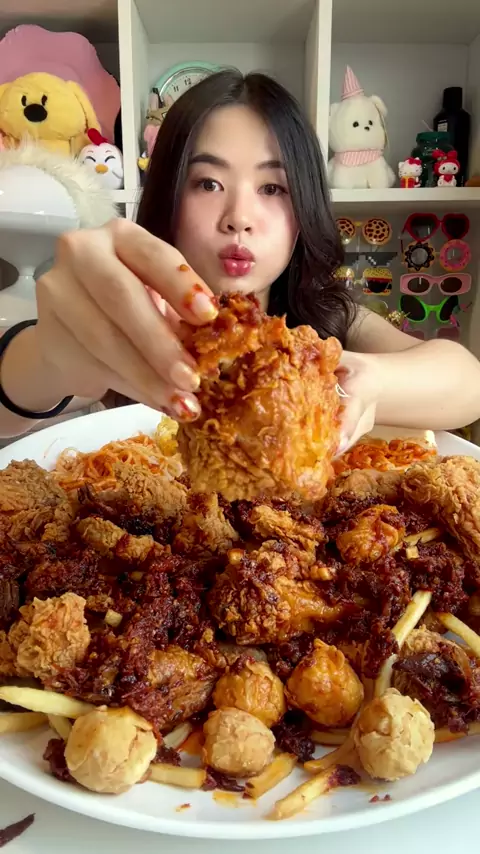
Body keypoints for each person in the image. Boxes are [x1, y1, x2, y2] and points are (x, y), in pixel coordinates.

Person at [0, 70, 479, 451]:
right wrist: (49, 356)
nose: (239, 218)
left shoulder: (329, 319)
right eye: (208, 183)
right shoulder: (131, 316)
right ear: (169, 196)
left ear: (303, 211)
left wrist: (355, 379)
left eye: (272, 188)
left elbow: (466, 382)